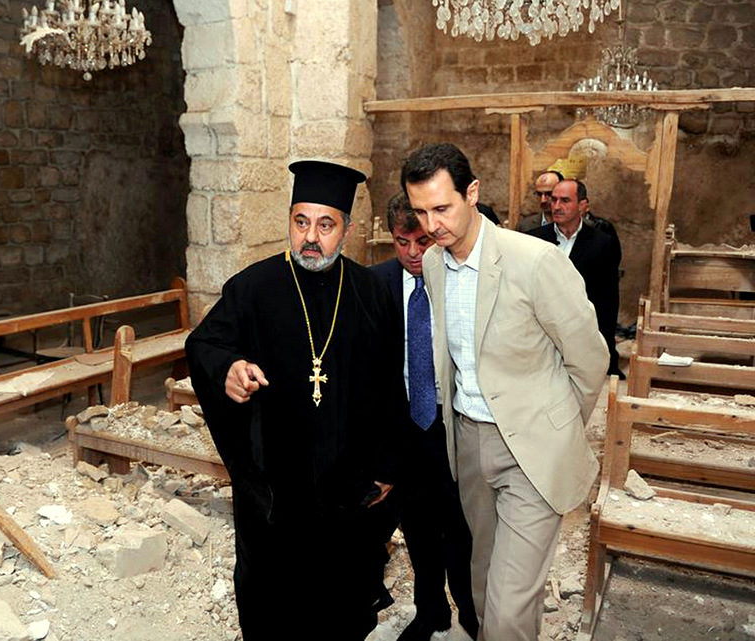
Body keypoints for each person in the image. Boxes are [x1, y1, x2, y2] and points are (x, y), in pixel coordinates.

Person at [185, 160, 409, 640]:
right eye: (301, 221)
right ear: (289, 221)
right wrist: (229, 369)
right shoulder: (252, 287)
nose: (311, 236)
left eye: (325, 224)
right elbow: (204, 344)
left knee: (341, 601)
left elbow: (394, 382)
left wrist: (388, 467)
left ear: (345, 230)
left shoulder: (371, 293)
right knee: (271, 601)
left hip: (347, 487)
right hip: (275, 484)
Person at [401, 143, 607, 641]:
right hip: (468, 445)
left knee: (509, 606)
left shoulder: (534, 261)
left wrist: (554, 426)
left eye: (442, 208)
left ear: (472, 194)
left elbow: (590, 358)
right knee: (482, 581)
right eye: (421, 211)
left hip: (531, 452)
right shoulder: (432, 265)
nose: (432, 225)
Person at [370, 193, 478, 641]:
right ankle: (430, 610)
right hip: (404, 430)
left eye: (422, 241)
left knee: (461, 530)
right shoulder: (374, 283)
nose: (414, 253)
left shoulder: (457, 277)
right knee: (416, 529)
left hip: (452, 423)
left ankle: (473, 616)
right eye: (402, 243)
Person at [528, 179, 621, 378]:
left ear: (582, 205)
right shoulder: (533, 239)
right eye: (554, 200)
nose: (556, 206)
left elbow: (607, 300)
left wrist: (605, 350)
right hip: (541, 338)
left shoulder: (602, 243)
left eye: (564, 201)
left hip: (581, 336)